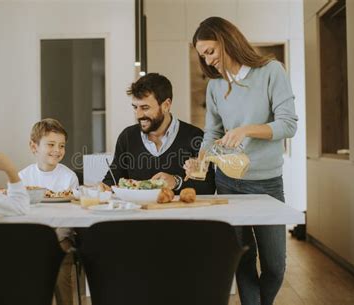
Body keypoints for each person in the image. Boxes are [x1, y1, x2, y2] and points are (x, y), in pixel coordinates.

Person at [187, 17, 298, 305]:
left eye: (211, 51)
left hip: (266, 184)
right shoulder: (215, 87)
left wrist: (246, 129)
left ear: (227, 40)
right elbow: (212, 132)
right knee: (243, 261)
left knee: (275, 265)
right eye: (203, 56)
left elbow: (288, 125)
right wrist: (201, 162)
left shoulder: (271, 71)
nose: (209, 61)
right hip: (228, 184)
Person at [101, 73, 215, 195]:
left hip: (180, 213)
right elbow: (112, 180)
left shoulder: (195, 137)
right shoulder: (128, 137)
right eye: (135, 107)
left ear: (166, 105)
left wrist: (176, 182)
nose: (138, 115)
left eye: (145, 108)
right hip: (139, 212)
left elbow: (208, 187)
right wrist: (104, 188)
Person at [19, 118, 80, 305]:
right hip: (33, 235)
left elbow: (73, 214)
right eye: (51, 144)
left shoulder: (69, 177)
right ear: (34, 147)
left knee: (61, 266)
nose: (57, 150)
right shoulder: (23, 177)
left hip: (62, 236)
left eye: (62, 146)